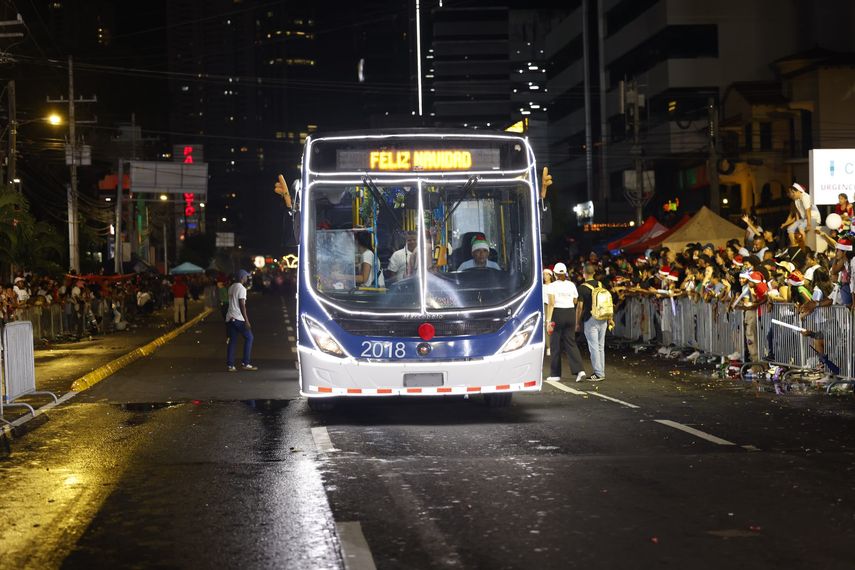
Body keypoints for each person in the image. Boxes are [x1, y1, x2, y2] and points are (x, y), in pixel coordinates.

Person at [545, 263, 586, 382]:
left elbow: (551, 303)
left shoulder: (552, 286)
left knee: (555, 344)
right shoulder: (571, 285)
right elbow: (574, 300)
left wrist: (548, 320)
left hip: (557, 314)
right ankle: (580, 371)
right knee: (571, 343)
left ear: (555, 274)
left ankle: (555, 374)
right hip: (570, 313)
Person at [576, 264, 612, 381]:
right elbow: (608, 302)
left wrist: (577, 322)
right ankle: (601, 372)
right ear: (594, 273)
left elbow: (580, 307)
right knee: (601, 346)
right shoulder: (601, 285)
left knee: (594, 347)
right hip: (603, 318)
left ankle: (598, 373)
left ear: (584, 273)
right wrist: (610, 318)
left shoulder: (582, 288)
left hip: (590, 319)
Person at [226, 269, 257, 372]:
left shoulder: (231, 287)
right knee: (249, 338)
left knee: (233, 341)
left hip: (230, 317)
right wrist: (246, 320)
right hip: (238, 318)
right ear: (242, 278)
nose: (247, 278)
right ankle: (246, 363)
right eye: (246, 276)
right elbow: (242, 305)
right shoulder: (242, 289)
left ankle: (231, 365)